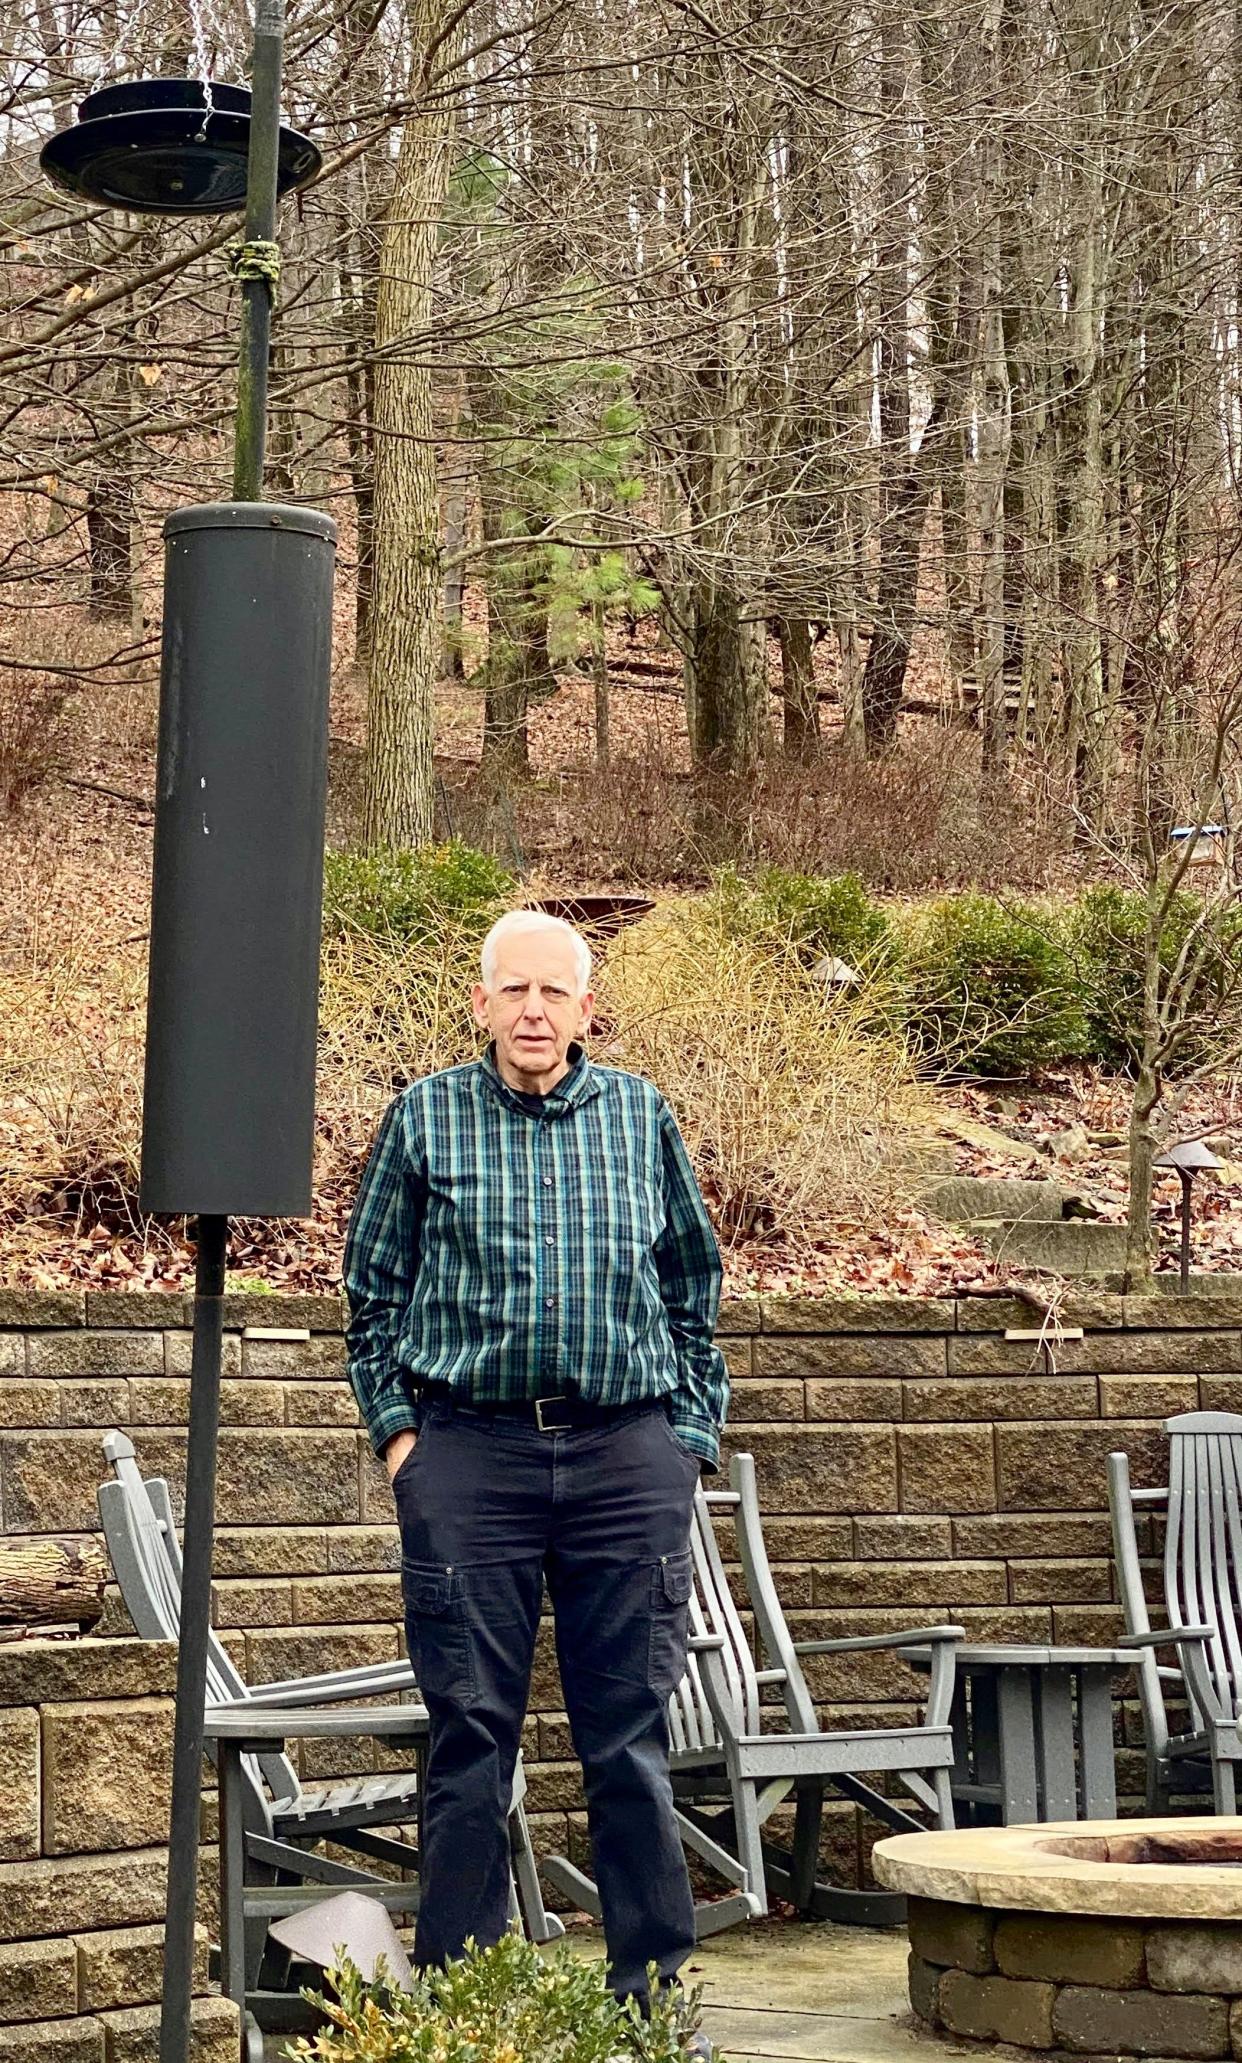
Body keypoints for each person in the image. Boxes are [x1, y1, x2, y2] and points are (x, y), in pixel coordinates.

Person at [342, 908, 728, 2049]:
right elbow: (371, 1297)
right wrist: (403, 1440)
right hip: (470, 1455)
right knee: (470, 1736)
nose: (533, 1012)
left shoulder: (640, 1115)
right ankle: (464, 2014)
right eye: (513, 991)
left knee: (631, 1740)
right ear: (479, 1002)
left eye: (554, 993)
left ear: (587, 1007)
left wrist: (686, 1439)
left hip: (625, 1456)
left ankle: (653, 2010)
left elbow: (694, 1288)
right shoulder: (424, 1119)